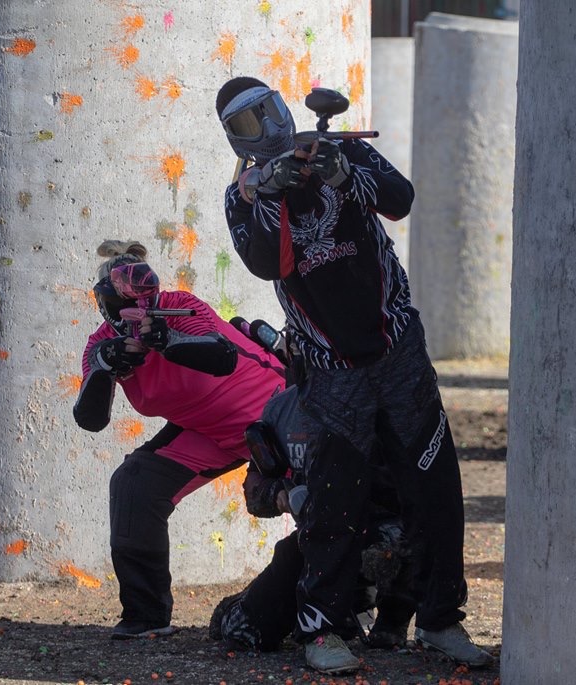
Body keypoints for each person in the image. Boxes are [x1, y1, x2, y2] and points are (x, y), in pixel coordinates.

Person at [215, 77, 491, 673]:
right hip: (331, 372)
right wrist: (272, 193)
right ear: (233, 139)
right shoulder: (242, 196)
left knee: (434, 490)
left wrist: (342, 174)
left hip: (399, 353)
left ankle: (441, 621)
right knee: (335, 503)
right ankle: (323, 630)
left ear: (287, 108)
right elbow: (267, 263)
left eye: (265, 112)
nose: (262, 129)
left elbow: (401, 197)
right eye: (244, 125)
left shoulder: (347, 150)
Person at [73, 240, 286, 639]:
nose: (137, 309)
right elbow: (90, 419)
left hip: (274, 412)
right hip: (212, 433)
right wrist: (105, 366)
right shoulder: (101, 342)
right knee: (135, 484)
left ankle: (344, 604)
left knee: (321, 499)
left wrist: (167, 341)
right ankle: (146, 615)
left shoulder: (180, 308)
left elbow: (222, 356)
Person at [208, 384, 416, 655]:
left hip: (377, 530)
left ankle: (389, 624)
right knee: (243, 632)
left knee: (395, 546)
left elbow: (424, 494)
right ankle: (242, 605)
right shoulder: (282, 409)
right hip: (316, 541)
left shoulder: (386, 404)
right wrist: (281, 493)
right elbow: (254, 490)